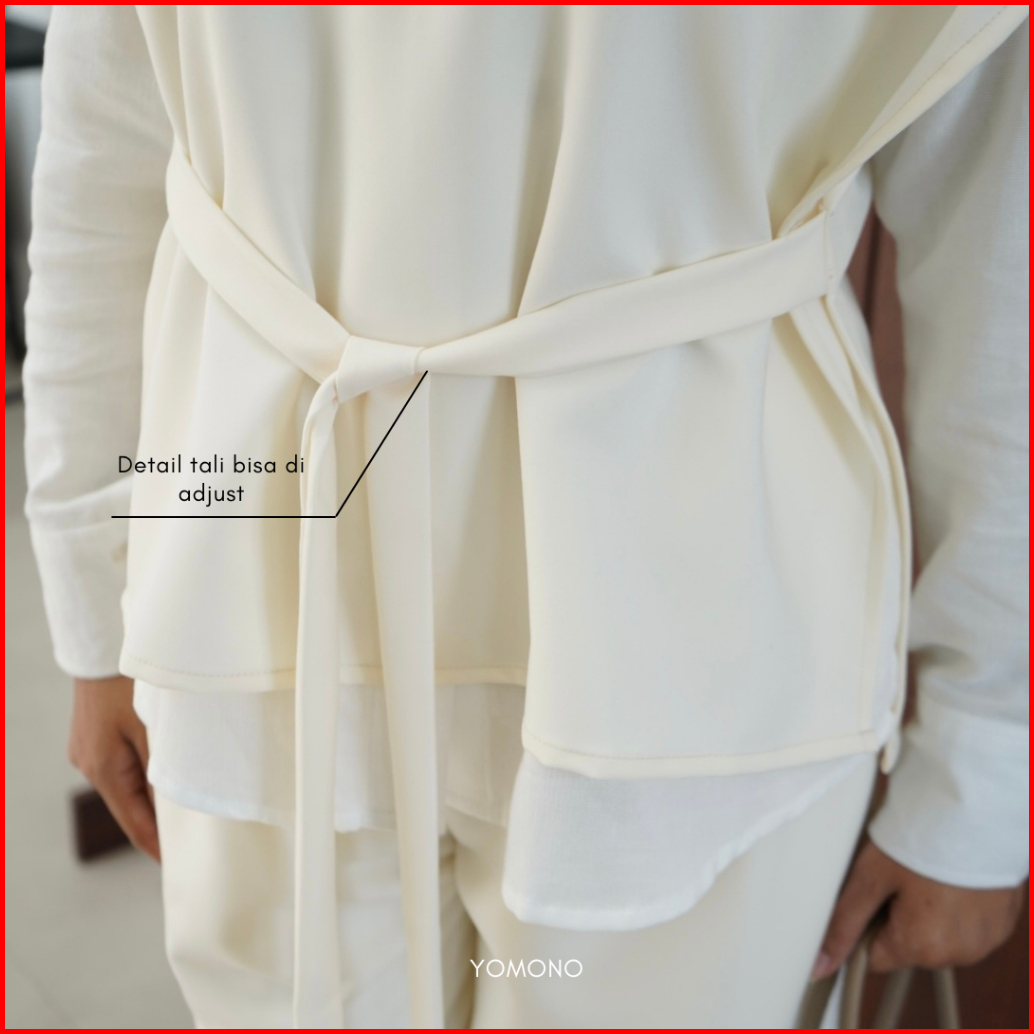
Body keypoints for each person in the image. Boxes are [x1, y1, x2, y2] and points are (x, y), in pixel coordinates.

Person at [24, 6, 1028, 1028]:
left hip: (690, 649)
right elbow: (110, 139)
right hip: (259, 569)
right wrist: (93, 586)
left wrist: (979, 758)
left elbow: (994, 240)